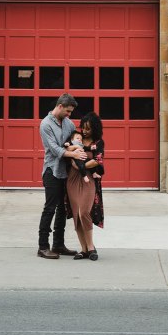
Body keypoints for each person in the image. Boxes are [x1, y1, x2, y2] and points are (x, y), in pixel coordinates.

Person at [38, 93, 78, 258]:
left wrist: (75, 147)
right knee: (50, 209)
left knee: (62, 210)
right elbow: (54, 149)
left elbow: (76, 141)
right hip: (51, 171)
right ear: (60, 106)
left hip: (66, 173)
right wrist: (73, 154)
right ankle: (43, 247)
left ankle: (58, 245)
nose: (69, 115)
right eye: (68, 111)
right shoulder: (45, 124)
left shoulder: (69, 124)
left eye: (71, 112)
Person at [64, 111, 105, 261]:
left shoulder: (98, 143)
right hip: (73, 180)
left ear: (95, 128)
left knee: (84, 212)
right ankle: (83, 249)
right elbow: (65, 152)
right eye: (84, 128)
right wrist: (73, 157)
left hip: (89, 179)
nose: (85, 131)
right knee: (76, 214)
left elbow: (97, 160)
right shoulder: (76, 138)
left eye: (88, 128)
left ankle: (91, 247)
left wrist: (80, 166)